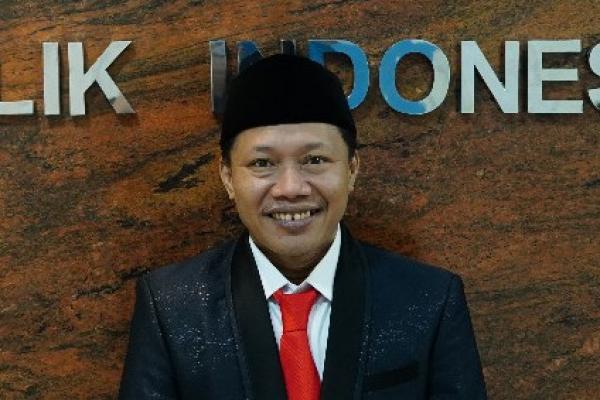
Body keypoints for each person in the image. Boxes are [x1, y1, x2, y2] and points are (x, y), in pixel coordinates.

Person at [119, 54, 487, 400]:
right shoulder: (172, 305)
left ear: (352, 169)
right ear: (228, 177)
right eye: (263, 164)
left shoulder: (429, 298)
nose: (291, 188)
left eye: (315, 160)